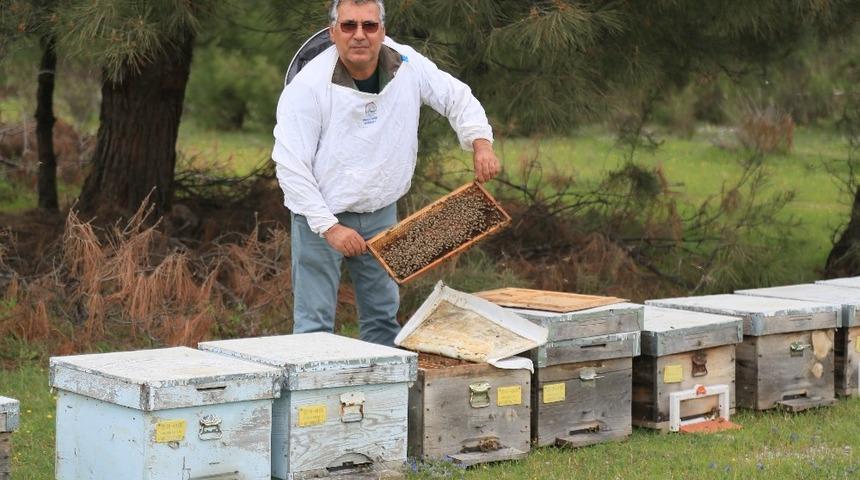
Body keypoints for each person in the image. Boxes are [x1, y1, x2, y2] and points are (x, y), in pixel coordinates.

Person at [271, 0, 500, 346]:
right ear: (333, 32)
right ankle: (314, 400)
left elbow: (456, 96)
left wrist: (480, 142)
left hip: (381, 212)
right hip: (320, 216)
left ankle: (380, 400)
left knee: (382, 319)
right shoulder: (307, 87)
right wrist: (330, 227)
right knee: (314, 326)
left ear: (383, 30)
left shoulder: (407, 64)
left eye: (369, 26)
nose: (359, 35)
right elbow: (291, 165)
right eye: (349, 26)